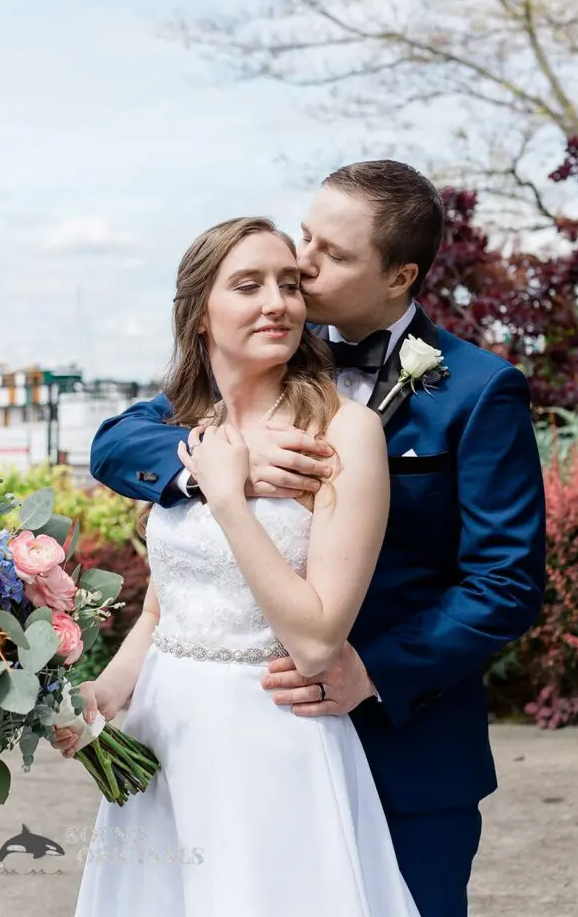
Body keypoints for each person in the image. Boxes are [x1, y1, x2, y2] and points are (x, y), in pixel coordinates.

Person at [86, 161, 547, 917]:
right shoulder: (262, 351)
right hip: (229, 740)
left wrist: (371, 671)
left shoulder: (476, 390)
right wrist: (212, 469)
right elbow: (117, 442)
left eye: (330, 253)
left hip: (404, 742)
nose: (301, 264)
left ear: (399, 276)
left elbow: (505, 582)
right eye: (305, 236)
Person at [57, 216, 421, 917]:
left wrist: (228, 499)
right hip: (165, 733)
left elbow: (316, 640)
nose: (277, 303)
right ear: (200, 313)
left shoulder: (344, 431)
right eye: (248, 285)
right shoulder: (186, 431)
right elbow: (165, 607)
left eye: (289, 284)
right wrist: (108, 689)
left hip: (271, 740)